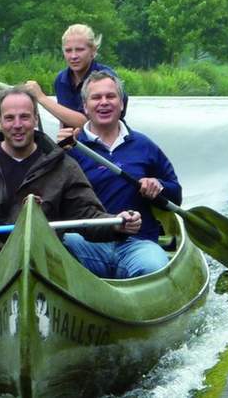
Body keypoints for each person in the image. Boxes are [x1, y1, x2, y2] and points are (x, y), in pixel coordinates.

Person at [0, 86, 141, 276]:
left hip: (44, 256)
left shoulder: (64, 166)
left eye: (25, 117)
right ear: (0, 122)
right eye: (10, 118)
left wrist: (116, 224)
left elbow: (89, 216)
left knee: (67, 269)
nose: (17, 125)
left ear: (35, 120)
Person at [57, 70, 181, 279]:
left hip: (138, 244)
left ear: (121, 104)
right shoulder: (69, 149)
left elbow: (176, 195)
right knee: (47, 250)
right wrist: (55, 151)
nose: (104, 102)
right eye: (96, 97)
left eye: (111, 96)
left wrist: (158, 186)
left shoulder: (144, 146)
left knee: (154, 267)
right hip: (86, 243)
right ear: (85, 107)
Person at [25, 24, 127, 128]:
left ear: (93, 51)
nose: (73, 56)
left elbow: (88, 124)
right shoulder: (61, 80)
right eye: (68, 50)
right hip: (74, 141)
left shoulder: (107, 79)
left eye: (79, 50)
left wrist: (41, 97)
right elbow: (64, 117)